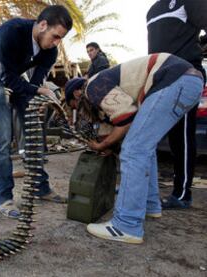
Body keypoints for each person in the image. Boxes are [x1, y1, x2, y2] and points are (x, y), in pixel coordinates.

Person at [65, 53, 203, 244]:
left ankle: (126, 224)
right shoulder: (103, 97)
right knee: (145, 147)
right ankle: (150, 205)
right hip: (189, 81)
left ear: (77, 94)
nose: (79, 113)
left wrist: (102, 144)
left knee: (134, 149)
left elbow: (127, 117)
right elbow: (114, 129)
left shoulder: (93, 87)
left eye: (74, 107)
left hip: (174, 78)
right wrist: (107, 146)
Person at [0, 5, 72, 218]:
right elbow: (7, 78)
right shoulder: (12, 32)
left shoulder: (51, 50)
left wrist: (38, 98)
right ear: (42, 25)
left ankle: (41, 187)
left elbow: (34, 83)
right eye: (55, 36)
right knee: (3, 138)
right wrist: (36, 90)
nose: (56, 42)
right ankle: (5, 198)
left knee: (32, 131)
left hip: (16, 75)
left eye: (60, 38)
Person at [147, 0, 207, 209]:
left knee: (181, 138)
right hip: (159, 78)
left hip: (185, 75)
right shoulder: (152, 10)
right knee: (151, 137)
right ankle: (145, 188)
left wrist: (199, 47)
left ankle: (182, 195)